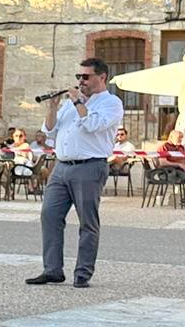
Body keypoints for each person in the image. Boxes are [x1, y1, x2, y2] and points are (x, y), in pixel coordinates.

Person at [28, 56, 123, 289]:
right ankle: (52, 270)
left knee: (87, 222)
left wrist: (79, 102)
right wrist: (52, 107)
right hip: (61, 167)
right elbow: (49, 131)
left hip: (89, 167)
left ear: (101, 77)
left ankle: (83, 273)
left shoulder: (110, 103)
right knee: (49, 216)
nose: (81, 81)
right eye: (78, 76)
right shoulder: (71, 104)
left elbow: (92, 125)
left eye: (86, 77)